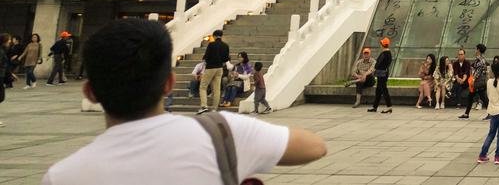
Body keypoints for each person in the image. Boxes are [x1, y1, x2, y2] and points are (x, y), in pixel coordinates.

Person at [42, 18, 326, 184]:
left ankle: (206, 101)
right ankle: (211, 103)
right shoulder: (223, 135)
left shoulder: (62, 176)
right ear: (168, 84)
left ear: (90, 93)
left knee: (207, 86)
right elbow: (315, 147)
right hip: (220, 86)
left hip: (209, 71)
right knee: (216, 88)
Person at [197, 29, 229, 114]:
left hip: (210, 67)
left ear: (214, 36)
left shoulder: (211, 44)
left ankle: (204, 106)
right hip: (220, 68)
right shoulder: (225, 45)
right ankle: (214, 108)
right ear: (221, 36)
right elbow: (226, 59)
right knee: (217, 89)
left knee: (203, 87)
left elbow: (206, 56)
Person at [460, 44, 489, 119]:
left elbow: (478, 71)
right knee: (471, 96)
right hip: (478, 81)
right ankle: (466, 114)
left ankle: (491, 113)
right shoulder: (479, 59)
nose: (474, 50)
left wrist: (473, 79)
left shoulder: (480, 60)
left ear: (478, 50)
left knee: (483, 98)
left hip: (478, 82)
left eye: (475, 49)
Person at [370, 38, 394, 113]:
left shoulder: (384, 53)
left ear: (382, 45)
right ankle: (375, 106)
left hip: (382, 73)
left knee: (383, 89)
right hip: (383, 73)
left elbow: (378, 63)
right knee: (378, 90)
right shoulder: (388, 53)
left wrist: (374, 69)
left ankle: (389, 106)